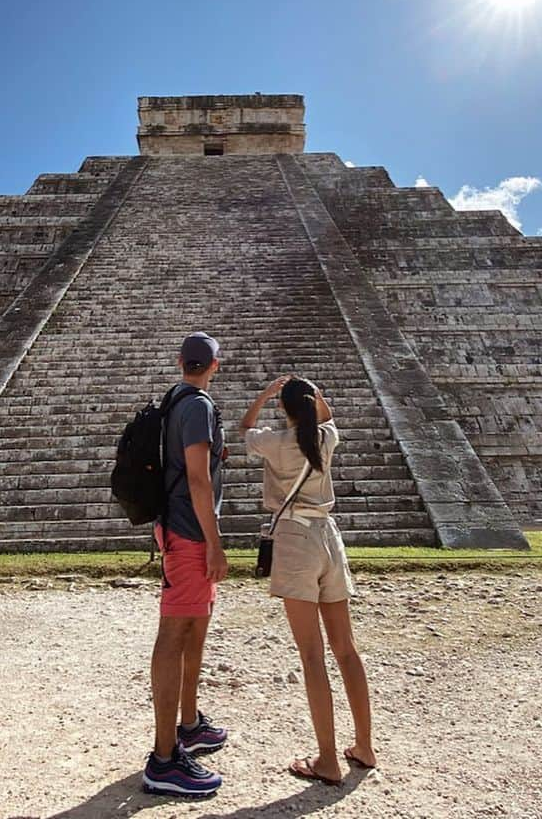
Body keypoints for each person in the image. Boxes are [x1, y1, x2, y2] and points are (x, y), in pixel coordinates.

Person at [241, 375, 377, 786]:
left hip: (296, 540)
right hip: (328, 536)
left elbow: (244, 429)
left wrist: (265, 395)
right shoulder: (324, 437)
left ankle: (328, 760)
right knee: (346, 650)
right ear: (312, 404)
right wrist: (316, 396)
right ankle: (365, 745)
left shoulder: (274, 441)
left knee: (312, 656)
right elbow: (328, 416)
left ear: (283, 408)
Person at [142, 332, 230, 798]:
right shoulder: (196, 405)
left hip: (179, 527)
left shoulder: (176, 398)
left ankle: (189, 723)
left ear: (181, 362)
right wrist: (215, 544)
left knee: (195, 625)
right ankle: (163, 759)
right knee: (176, 631)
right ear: (215, 365)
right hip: (191, 534)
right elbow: (198, 479)